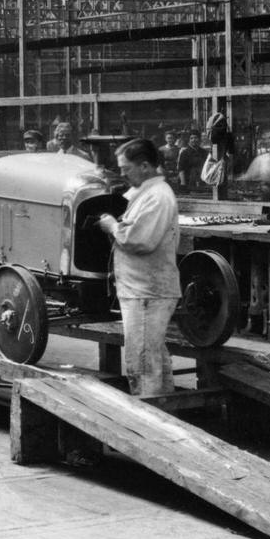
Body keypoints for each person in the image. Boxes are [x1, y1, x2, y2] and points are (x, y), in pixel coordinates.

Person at [96, 138, 181, 399]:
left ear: (145, 166)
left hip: (147, 292)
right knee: (153, 359)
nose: (122, 173)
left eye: (126, 168)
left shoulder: (158, 196)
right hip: (142, 289)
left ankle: (149, 424)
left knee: (142, 363)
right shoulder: (145, 192)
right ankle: (164, 419)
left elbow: (139, 240)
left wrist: (112, 226)